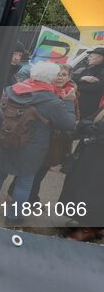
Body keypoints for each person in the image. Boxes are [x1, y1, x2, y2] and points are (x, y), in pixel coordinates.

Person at [0, 62, 77, 224]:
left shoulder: (11, 89)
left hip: (4, 138)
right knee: (25, 181)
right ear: (51, 78)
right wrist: (70, 101)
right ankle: (13, 216)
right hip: (31, 147)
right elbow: (69, 124)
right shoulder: (51, 101)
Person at [7, 63, 79, 203]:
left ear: (69, 78)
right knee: (27, 173)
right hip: (39, 139)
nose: (60, 78)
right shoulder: (45, 92)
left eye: (64, 75)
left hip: (56, 142)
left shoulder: (72, 93)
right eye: (58, 74)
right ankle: (14, 198)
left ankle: (31, 198)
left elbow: (74, 117)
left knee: (41, 172)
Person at [58, 95, 104, 241]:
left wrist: (90, 127)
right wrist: (90, 127)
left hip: (98, 161)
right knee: (82, 188)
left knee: (94, 193)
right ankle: (82, 221)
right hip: (90, 157)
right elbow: (87, 121)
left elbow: (95, 127)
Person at [72, 47, 104, 119]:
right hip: (79, 104)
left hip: (91, 106)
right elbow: (72, 79)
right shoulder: (87, 68)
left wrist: (77, 87)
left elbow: (97, 87)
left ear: (100, 58)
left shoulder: (102, 71)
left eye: (91, 56)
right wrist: (82, 78)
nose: (88, 58)